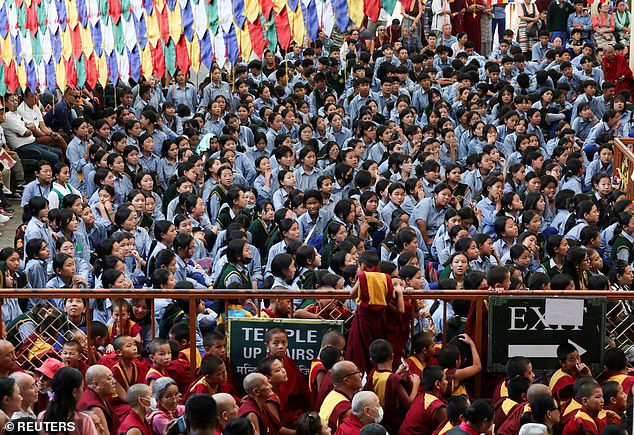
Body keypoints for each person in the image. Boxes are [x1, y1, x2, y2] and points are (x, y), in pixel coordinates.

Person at [38, 367, 98, 435]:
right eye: (82, 387)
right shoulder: (84, 420)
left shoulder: (42, 416)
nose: (83, 390)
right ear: (74, 392)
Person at [78, 365, 119, 435]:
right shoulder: (94, 408)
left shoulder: (100, 395)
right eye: (109, 379)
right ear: (96, 384)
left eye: (112, 377)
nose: (114, 381)